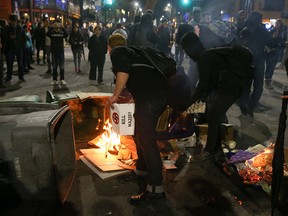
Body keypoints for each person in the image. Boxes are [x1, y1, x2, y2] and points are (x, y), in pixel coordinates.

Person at [107, 33, 167, 206]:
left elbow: (124, 71)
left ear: (109, 48)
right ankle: (141, 170)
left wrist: (115, 95)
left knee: (147, 140)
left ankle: (156, 189)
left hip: (151, 98)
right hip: (156, 95)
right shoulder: (134, 51)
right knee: (137, 134)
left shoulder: (118, 52)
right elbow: (143, 76)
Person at [181, 32, 253, 163]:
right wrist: (195, 106)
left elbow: (202, 86)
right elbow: (207, 87)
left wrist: (187, 104)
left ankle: (209, 152)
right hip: (228, 87)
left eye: (186, 50)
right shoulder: (206, 55)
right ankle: (217, 150)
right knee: (210, 113)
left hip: (232, 87)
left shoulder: (205, 57)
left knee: (214, 115)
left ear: (192, 47)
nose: (187, 55)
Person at [238, 11, 279, 117]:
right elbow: (272, 43)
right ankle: (250, 107)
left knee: (246, 86)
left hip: (245, 62)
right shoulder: (261, 31)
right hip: (258, 62)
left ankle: (243, 107)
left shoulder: (243, 31)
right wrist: (275, 36)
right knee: (258, 87)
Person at [4, 14, 27, 84]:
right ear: (10, 21)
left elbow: (24, 38)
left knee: (20, 64)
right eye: (12, 21)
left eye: (15, 21)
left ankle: (21, 77)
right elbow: (5, 39)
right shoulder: (7, 29)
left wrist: (21, 45)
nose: (14, 22)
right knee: (9, 64)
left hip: (19, 48)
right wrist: (9, 39)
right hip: (10, 49)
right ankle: (8, 78)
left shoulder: (20, 28)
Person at [264, 19, 286, 90]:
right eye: (276, 23)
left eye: (279, 24)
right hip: (269, 52)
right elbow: (267, 40)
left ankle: (268, 82)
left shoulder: (283, 33)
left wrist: (279, 43)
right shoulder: (271, 31)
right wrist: (273, 37)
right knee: (268, 67)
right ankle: (266, 81)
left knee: (271, 68)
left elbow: (283, 43)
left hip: (276, 52)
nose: (277, 25)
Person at [46, 20, 68, 85]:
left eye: (58, 24)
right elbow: (47, 34)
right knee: (54, 66)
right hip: (54, 51)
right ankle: (55, 79)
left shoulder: (61, 31)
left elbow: (66, 35)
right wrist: (52, 27)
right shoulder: (52, 32)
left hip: (61, 51)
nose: (56, 25)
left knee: (62, 66)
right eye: (55, 24)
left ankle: (62, 79)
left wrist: (62, 27)